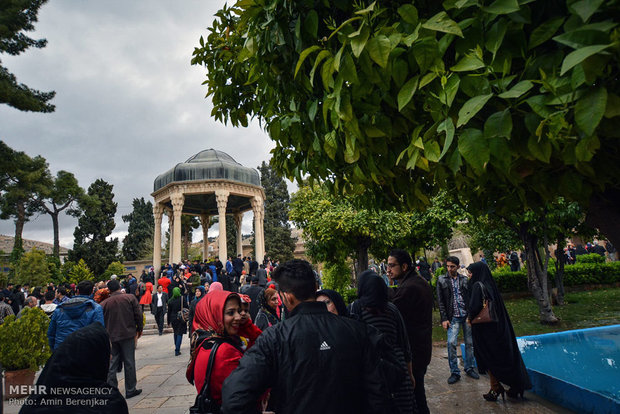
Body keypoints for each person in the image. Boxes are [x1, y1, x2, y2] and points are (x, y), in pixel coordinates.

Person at [221, 259, 388, 413]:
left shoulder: (275, 338)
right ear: (315, 288)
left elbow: (234, 396)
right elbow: (379, 393)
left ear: (287, 297)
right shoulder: (358, 331)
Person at [20, 323, 129, 413]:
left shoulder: (33, 405)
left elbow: (51, 334)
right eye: (107, 353)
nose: (110, 358)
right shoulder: (110, 403)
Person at [349, 270, 415, 413]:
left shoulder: (354, 309)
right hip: (398, 371)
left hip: (372, 377)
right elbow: (404, 344)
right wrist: (409, 373)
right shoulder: (392, 309)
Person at [466, 261, 532, 401]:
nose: (469, 275)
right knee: (505, 358)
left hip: (486, 330)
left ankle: (495, 388)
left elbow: (474, 307)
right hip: (498, 328)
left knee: (489, 358)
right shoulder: (490, 284)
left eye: (470, 272)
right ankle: (515, 386)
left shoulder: (478, 285)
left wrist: (469, 318)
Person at [188, 290, 262, 409]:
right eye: (231, 312)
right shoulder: (225, 351)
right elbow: (250, 393)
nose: (239, 317)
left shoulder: (205, 342)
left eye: (238, 311)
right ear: (214, 313)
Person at [387, 249, 433, 414]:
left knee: (416, 398)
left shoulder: (411, 287)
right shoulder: (415, 283)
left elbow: (393, 310)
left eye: (392, 266)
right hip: (420, 350)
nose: (388, 270)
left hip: (415, 352)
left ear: (404, 266)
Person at [436, 256, 479, 384]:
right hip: (452, 317)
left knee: (470, 343)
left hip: (466, 316)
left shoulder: (464, 280)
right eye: (448, 266)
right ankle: (454, 372)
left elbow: (470, 299)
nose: (449, 269)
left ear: (458, 267)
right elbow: (441, 301)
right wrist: (444, 318)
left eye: (452, 266)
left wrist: (471, 315)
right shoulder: (441, 280)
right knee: (451, 343)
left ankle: (469, 367)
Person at [102, 279, 143, 399]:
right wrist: (139, 328)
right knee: (129, 362)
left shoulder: (104, 304)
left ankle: (112, 389)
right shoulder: (129, 298)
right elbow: (138, 314)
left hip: (111, 336)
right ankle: (130, 389)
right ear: (120, 287)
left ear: (109, 290)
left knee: (112, 363)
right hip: (128, 333)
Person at [47, 280, 105, 350]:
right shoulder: (95, 308)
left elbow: (51, 333)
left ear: (77, 291)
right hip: (85, 351)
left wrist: (54, 350)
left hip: (62, 350)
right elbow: (99, 334)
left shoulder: (60, 308)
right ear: (92, 291)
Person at [167, 287, 188, 356]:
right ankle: (177, 349)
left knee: (175, 332)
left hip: (173, 318)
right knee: (180, 333)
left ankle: (176, 346)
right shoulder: (182, 299)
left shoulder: (170, 301)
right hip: (180, 318)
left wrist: (168, 321)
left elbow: (169, 312)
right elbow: (187, 308)